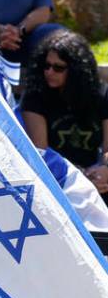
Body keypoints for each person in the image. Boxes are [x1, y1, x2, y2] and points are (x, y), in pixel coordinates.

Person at [20, 30, 108, 195]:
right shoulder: (35, 97)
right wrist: (81, 178)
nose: (49, 72)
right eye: (46, 66)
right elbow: (41, 153)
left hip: (95, 175)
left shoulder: (101, 95)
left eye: (58, 68)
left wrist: (105, 169)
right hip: (58, 178)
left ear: (76, 70)